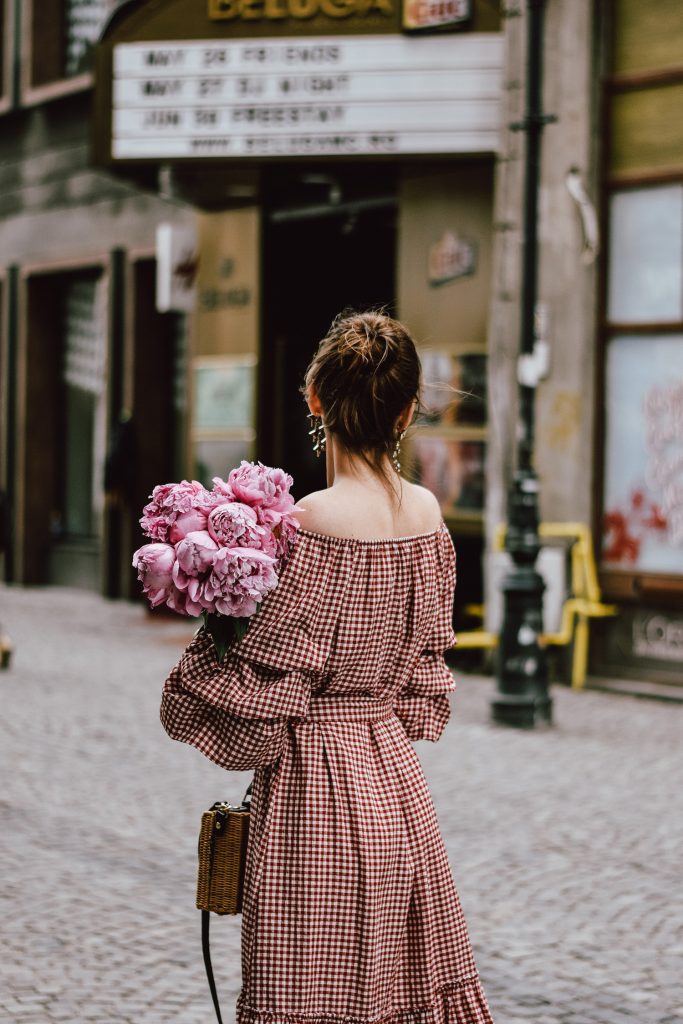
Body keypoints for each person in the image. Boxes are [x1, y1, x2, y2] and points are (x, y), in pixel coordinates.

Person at [160, 311, 495, 1024]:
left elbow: (255, 694)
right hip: (395, 787)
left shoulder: (306, 524)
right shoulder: (430, 518)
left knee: (308, 991)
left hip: (311, 790)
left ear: (313, 397)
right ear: (407, 411)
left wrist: (215, 617)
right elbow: (421, 678)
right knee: (398, 989)